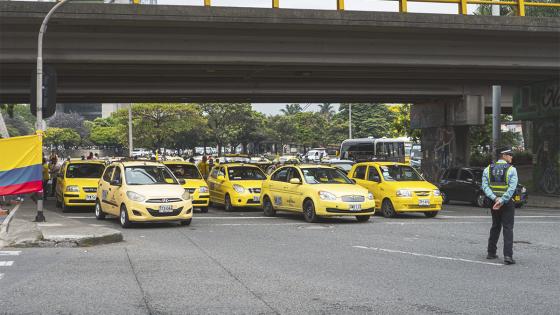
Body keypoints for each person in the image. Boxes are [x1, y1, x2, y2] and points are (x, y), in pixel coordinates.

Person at [482, 147, 518, 265]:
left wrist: (495, 198)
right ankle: (508, 256)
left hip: (494, 202)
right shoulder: (512, 170)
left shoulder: (488, 169)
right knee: (508, 228)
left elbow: (485, 187)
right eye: (510, 154)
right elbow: (512, 188)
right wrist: (502, 200)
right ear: (504, 155)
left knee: (495, 226)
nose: (512, 156)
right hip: (507, 203)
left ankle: (491, 252)